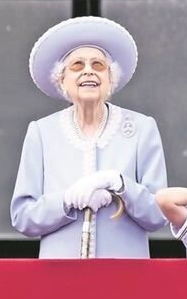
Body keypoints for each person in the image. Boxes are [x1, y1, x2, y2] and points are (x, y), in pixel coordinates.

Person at [11, 16, 167, 258]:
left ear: (110, 79)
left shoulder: (142, 128)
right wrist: (66, 201)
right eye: (77, 65)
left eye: (98, 65)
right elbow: (23, 217)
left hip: (126, 275)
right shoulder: (41, 132)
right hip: (61, 276)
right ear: (62, 80)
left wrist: (120, 184)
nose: (88, 71)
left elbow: (158, 215)